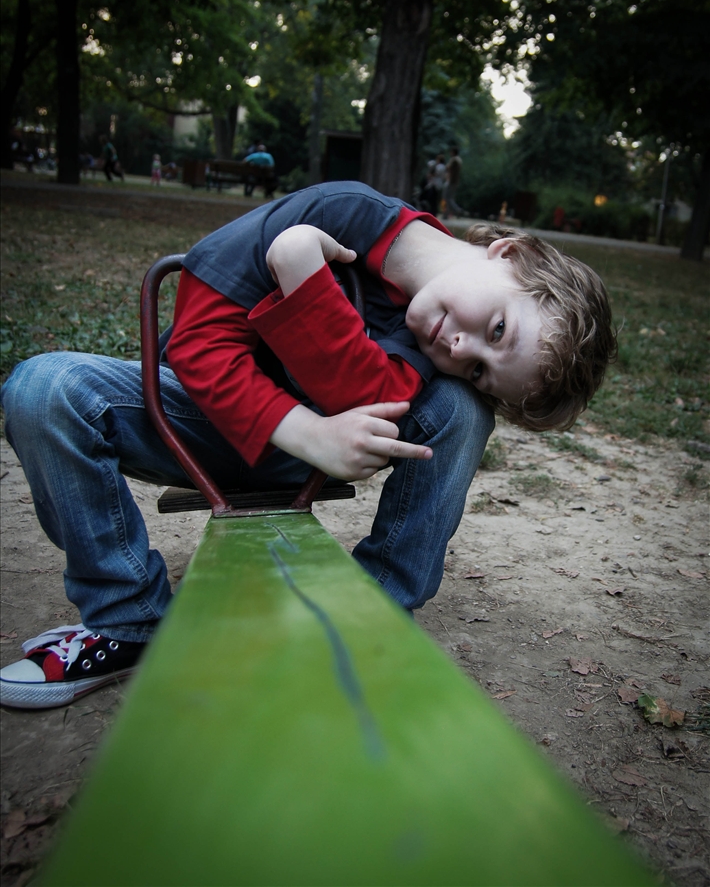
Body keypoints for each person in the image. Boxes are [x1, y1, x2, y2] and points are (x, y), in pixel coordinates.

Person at [0, 181, 616, 710]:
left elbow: (373, 390)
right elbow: (196, 344)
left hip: (322, 451)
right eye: (499, 329)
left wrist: (302, 275)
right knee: (43, 386)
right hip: (197, 424)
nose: (462, 351)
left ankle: (370, 612)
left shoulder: (435, 346)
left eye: (483, 367)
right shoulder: (342, 211)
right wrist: (307, 429)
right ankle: (126, 620)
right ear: (507, 253)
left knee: (460, 406)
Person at [442, 146, 465, 219]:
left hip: (451, 181)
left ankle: (456, 210)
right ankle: (449, 213)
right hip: (454, 181)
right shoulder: (459, 160)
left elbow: (447, 168)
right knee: (450, 198)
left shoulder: (454, 160)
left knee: (446, 198)